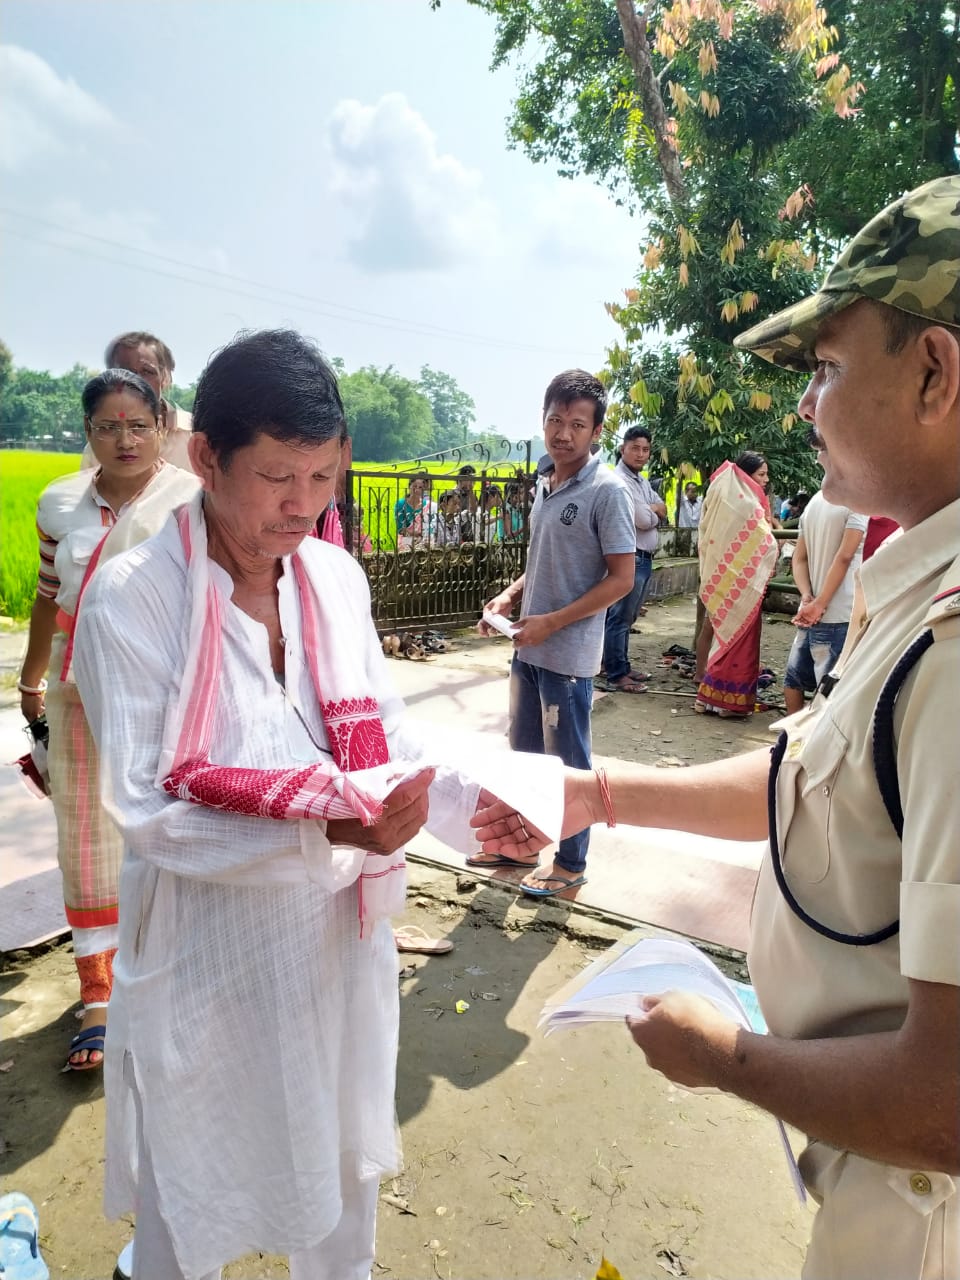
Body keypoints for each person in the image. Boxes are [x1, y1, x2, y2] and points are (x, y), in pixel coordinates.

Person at [472, 175, 960, 1279]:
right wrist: (596, 792)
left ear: (933, 373)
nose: (806, 406)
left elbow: (944, 1104)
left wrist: (729, 1055)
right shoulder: (920, 596)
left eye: (829, 368)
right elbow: (812, 770)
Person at [72, 330, 549, 1278]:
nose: (304, 506)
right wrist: (321, 827)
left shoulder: (333, 578)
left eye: (326, 477)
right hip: (210, 955)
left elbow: (385, 741)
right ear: (205, 457)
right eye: (279, 476)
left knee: (338, 1178)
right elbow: (148, 810)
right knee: (188, 1188)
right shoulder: (132, 600)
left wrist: (469, 807)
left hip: (336, 945)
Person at [17, 369, 199, 1070]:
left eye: (138, 426)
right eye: (107, 427)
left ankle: (164, 975)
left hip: (162, 687)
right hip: (76, 684)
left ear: (161, 428)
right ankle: (99, 995)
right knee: (86, 833)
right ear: (87, 433)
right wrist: (30, 680)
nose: (123, 439)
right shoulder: (59, 502)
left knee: (162, 826)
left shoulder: (191, 500)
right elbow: (45, 597)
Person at [477, 369, 635, 897]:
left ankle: (571, 864)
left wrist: (553, 623)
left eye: (577, 424)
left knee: (568, 765)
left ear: (595, 432)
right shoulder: (548, 483)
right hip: (528, 646)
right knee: (523, 755)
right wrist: (510, 597)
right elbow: (544, 560)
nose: (563, 433)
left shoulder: (606, 491)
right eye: (554, 420)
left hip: (566, 656)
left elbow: (622, 579)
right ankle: (517, 848)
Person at [693, 450, 778, 718]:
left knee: (718, 633)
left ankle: (708, 698)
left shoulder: (723, 492)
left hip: (722, 577)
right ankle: (727, 703)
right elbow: (765, 542)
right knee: (736, 639)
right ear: (746, 474)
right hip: (742, 583)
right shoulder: (745, 503)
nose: (765, 480)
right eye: (761, 474)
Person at [783, 489, 867, 713]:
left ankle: (789, 739)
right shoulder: (857, 502)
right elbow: (845, 556)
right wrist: (821, 603)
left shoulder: (814, 502)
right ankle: (816, 743)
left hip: (809, 609)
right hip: (840, 609)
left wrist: (806, 595)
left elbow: (799, 558)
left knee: (795, 679)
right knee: (831, 687)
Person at [601, 426, 666, 693]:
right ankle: (616, 674)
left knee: (628, 617)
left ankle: (619, 665)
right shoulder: (620, 481)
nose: (640, 454)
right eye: (635, 448)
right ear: (623, 448)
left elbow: (661, 507)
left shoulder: (640, 481)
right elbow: (643, 519)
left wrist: (653, 510)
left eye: (645, 449)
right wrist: (654, 512)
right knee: (620, 616)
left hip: (644, 556)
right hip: (630, 557)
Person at [81, 332, 194, 472]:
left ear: (165, 377)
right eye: (125, 372)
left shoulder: (197, 432)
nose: (137, 382)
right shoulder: (99, 446)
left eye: (147, 371)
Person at [394, 474, 434, 550]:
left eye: (420, 488)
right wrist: (417, 534)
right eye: (414, 486)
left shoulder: (427, 505)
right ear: (409, 486)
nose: (417, 490)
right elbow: (401, 528)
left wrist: (424, 537)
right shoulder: (400, 504)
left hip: (424, 541)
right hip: (406, 541)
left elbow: (430, 526)